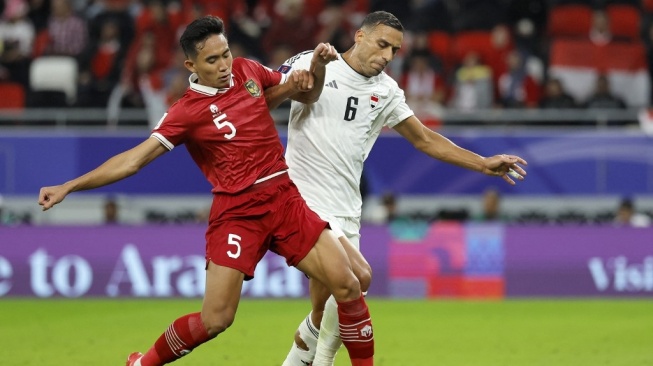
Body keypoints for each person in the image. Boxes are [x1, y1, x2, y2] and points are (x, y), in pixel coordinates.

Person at [38, 15, 377, 366]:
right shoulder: (186, 111)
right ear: (191, 64)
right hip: (238, 213)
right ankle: (143, 363)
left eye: (226, 54)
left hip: (283, 197)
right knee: (216, 319)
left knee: (349, 284)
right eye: (212, 60)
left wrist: (313, 72)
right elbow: (133, 161)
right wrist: (69, 186)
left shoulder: (248, 70)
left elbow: (301, 95)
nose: (224, 65)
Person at [267, 11, 528, 366]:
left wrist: (482, 163)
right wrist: (292, 86)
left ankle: (303, 357)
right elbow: (263, 102)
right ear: (360, 37)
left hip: (346, 209)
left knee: (322, 309)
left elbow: (424, 139)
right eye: (382, 45)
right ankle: (324, 361)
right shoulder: (312, 61)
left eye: (395, 50)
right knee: (356, 280)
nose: (388, 56)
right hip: (301, 199)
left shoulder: (386, 91)